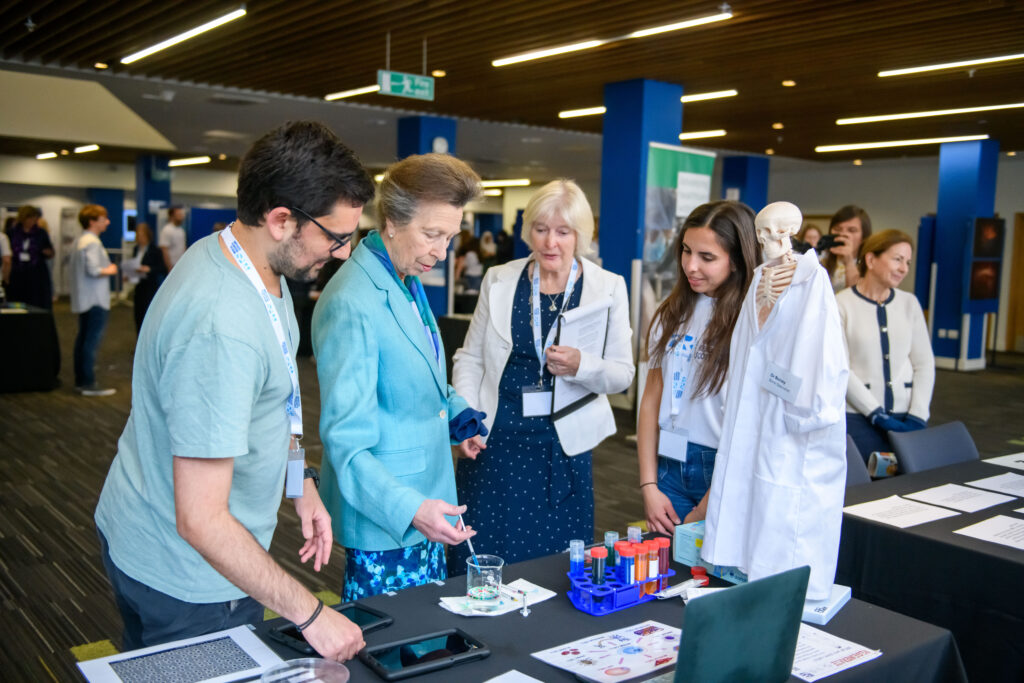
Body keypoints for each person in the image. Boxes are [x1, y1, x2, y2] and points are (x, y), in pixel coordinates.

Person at [94, 121, 376, 661]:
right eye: (336, 238)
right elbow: (200, 519)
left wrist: (301, 481)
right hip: (188, 577)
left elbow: (277, 402)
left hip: (146, 521)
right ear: (280, 220)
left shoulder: (243, 260)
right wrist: (311, 614)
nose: (342, 254)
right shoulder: (222, 328)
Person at [312, 153, 484, 601]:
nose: (441, 252)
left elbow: (418, 373)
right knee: (389, 654)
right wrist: (411, 509)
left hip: (428, 499)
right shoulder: (353, 300)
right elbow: (345, 444)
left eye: (449, 237)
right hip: (389, 514)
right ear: (391, 221)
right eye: (432, 234)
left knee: (426, 647)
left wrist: (456, 415)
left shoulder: (403, 275)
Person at [450, 179, 635, 568]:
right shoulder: (499, 279)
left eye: (563, 232)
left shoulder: (608, 287)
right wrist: (466, 419)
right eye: (541, 229)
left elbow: (622, 374)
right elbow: (470, 358)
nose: (551, 242)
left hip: (562, 447)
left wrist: (582, 365)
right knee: (485, 553)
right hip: (494, 439)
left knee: (555, 565)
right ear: (527, 230)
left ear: (580, 235)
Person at [702, 201, 848, 601]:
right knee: (752, 507)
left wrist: (804, 411)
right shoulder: (759, 279)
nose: (767, 241)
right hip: (758, 409)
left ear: (790, 234)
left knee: (785, 516)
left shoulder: (812, 283)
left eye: (774, 233)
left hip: (793, 418)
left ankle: (784, 596)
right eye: (761, 233)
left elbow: (823, 357)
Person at [637, 201, 760, 534]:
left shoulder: (752, 322)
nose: (691, 266)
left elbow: (750, 421)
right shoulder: (672, 312)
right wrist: (648, 485)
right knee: (665, 572)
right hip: (668, 464)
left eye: (707, 258)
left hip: (723, 465)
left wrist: (710, 502)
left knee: (713, 578)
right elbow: (650, 400)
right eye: (686, 251)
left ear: (736, 261)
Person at [837, 230, 934, 458]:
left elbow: (924, 364)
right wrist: (876, 414)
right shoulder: (840, 304)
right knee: (866, 488)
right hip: (859, 418)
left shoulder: (910, 303)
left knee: (911, 485)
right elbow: (841, 369)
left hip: (907, 417)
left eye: (907, 262)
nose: (904, 269)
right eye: (897, 259)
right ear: (871, 260)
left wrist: (918, 415)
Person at [70, 205, 120, 396]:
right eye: (103, 218)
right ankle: (88, 383)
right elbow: (93, 270)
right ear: (92, 221)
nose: (107, 222)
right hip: (95, 300)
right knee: (90, 341)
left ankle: (82, 380)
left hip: (86, 299)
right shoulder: (91, 242)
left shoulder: (81, 241)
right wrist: (111, 270)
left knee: (83, 339)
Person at [7, 205, 54, 309]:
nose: (32, 221)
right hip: (18, 273)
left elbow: (50, 251)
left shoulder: (41, 233)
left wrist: (46, 251)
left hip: (37, 272)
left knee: (37, 301)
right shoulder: (12, 233)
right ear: (23, 218)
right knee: (18, 301)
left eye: (34, 219)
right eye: (30, 218)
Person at [823, 205, 872, 291]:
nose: (843, 234)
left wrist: (849, 262)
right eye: (837, 229)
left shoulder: (870, 265)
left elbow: (856, 296)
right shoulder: (821, 261)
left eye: (852, 230)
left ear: (863, 237)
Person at [131, 222, 168, 333]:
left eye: (142, 235)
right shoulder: (136, 249)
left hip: (150, 288)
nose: (140, 238)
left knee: (148, 317)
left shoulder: (155, 250)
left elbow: (162, 268)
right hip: (139, 287)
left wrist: (149, 269)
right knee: (138, 316)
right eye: (138, 235)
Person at [159, 206, 188, 271]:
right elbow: (164, 250)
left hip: (180, 266)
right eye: (179, 214)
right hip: (172, 267)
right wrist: (169, 268)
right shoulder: (167, 230)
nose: (182, 216)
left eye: (181, 214)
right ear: (172, 216)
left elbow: (183, 247)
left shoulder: (181, 230)